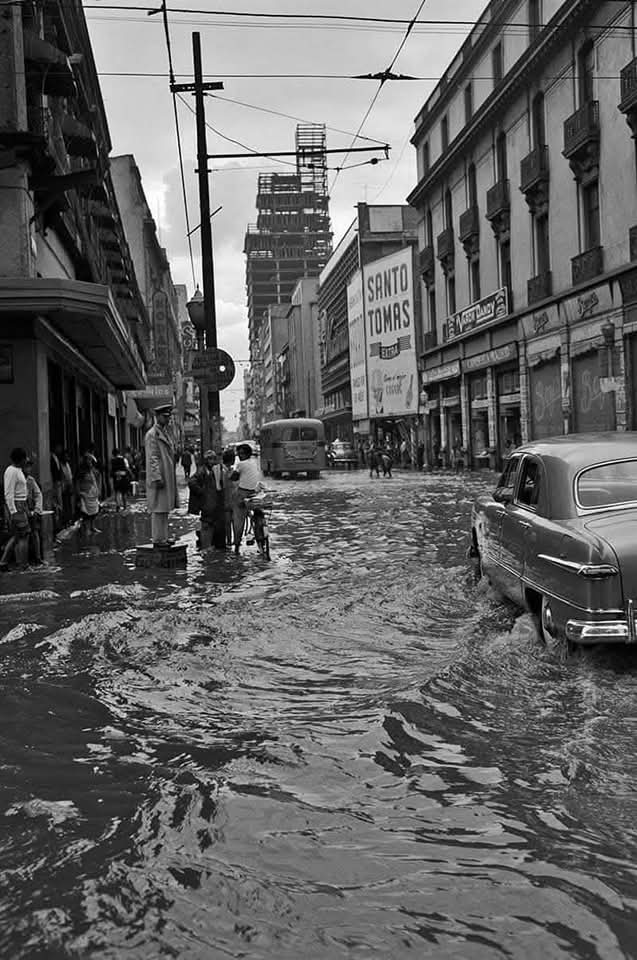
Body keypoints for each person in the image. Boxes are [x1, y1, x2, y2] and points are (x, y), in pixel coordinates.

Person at [144, 403, 178, 546]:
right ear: (157, 417)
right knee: (158, 509)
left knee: (164, 508)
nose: (168, 419)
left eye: (169, 416)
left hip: (166, 475)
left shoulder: (164, 433)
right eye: (165, 416)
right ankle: (158, 539)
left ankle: (163, 537)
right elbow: (153, 458)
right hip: (160, 477)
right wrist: (157, 477)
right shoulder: (152, 435)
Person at [188, 450, 225, 549]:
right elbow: (191, 482)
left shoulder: (218, 470)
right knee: (207, 527)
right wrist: (202, 492)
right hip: (208, 506)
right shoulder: (202, 471)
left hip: (217, 506)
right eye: (209, 459)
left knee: (217, 531)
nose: (212, 461)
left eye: (213, 459)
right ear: (206, 461)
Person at [0, 447, 30, 570]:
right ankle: (23, 565)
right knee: (24, 535)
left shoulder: (17, 470)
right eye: (25, 458)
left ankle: (3, 562)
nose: (27, 460)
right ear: (20, 459)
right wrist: (13, 511)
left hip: (21, 505)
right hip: (17, 506)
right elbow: (9, 493)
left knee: (17, 536)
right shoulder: (11, 471)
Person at [230, 442, 261, 552]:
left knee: (238, 518)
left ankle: (237, 544)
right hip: (255, 493)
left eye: (240, 454)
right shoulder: (255, 463)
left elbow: (233, 478)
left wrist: (231, 473)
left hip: (243, 493)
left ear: (245, 454)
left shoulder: (241, 464)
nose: (239, 456)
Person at [76, 453, 101, 534]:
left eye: (91, 461)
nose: (90, 462)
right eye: (88, 460)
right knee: (85, 513)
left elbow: (97, 480)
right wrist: (78, 492)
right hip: (84, 494)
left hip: (93, 495)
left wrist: (98, 490)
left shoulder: (94, 471)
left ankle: (92, 526)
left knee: (95, 511)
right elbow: (77, 482)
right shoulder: (81, 472)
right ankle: (86, 528)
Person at [24, 457, 43, 564]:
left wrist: (37, 509)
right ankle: (23, 561)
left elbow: (38, 495)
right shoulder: (17, 479)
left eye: (30, 466)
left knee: (35, 532)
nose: (29, 469)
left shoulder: (31, 480)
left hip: (31, 511)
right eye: (27, 466)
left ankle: (38, 557)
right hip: (21, 511)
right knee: (23, 536)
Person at [222, 448, 238, 547]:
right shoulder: (224, 471)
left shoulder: (228, 470)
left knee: (231, 523)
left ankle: (231, 542)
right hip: (227, 501)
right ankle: (230, 542)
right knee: (229, 523)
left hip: (231, 500)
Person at [60, 450, 75, 526]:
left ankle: (70, 519)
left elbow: (70, 476)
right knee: (65, 505)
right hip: (63, 488)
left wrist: (71, 486)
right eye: (66, 456)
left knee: (69, 504)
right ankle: (65, 520)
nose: (67, 458)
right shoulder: (61, 466)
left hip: (69, 487)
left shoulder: (67, 465)